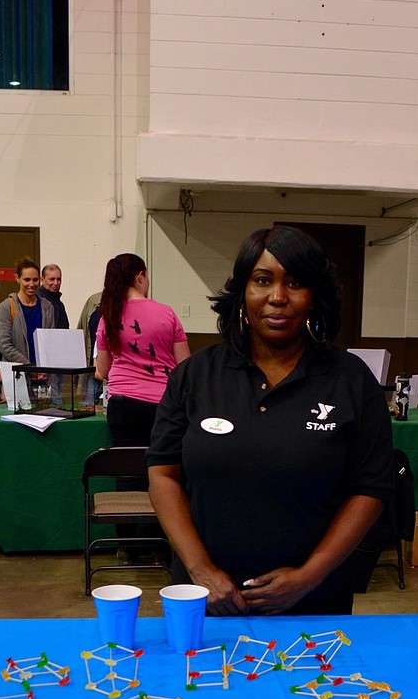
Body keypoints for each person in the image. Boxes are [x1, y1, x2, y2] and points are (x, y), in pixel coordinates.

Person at [147, 225, 394, 616]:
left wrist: (310, 576)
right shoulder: (195, 376)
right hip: (205, 601)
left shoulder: (350, 380)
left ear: (313, 296)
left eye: (295, 283)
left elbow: (371, 488)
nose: (278, 297)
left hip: (314, 602)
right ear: (242, 292)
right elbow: (163, 475)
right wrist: (202, 570)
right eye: (263, 281)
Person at [95, 253, 190, 446]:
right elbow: (185, 367)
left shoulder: (109, 316)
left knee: (128, 467)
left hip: (123, 405)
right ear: (140, 276)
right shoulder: (166, 313)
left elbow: (103, 371)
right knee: (163, 469)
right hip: (163, 403)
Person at [0, 257, 56, 365]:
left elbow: (50, 342)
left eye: (35, 280)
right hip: (18, 374)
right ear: (17, 278)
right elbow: (4, 345)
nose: (31, 284)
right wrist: (27, 366)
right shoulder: (6, 307)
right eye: (27, 280)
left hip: (44, 374)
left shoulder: (47, 307)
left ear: (40, 280)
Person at [40, 264, 69, 329]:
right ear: (42, 279)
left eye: (58, 279)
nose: (56, 283)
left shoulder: (59, 304)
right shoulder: (37, 301)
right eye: (52, 279)